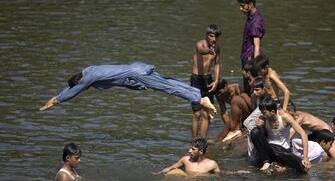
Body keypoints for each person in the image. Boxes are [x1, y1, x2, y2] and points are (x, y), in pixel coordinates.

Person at [39, 61, 216, 114]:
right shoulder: (88, 70)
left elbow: (71, 92)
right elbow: (73, 87)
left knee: (167, 87)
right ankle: (198, 96)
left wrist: (53, 101)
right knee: (167, 82)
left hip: (136, 74)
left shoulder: (87, 78)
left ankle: (199, 99)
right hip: (137, 67)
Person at [250, 98, 311, 173]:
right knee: (255, 131)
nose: (263, 115)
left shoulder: (285, 117)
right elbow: (261, 138)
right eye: (262, 112)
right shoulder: (263, 118)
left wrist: (305, 157)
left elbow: (303, 134)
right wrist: (260, 127)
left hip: (282, 151)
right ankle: (266, 161)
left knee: (302, 167)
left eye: (264, 113)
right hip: (269, 148)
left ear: (272, 112)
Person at [191, 24, 221, 139]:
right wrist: (209, 50)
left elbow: (217, 64)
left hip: (208, 79)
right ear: (207, 35)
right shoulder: (200, 44)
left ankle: (202, 140)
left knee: (207, 112)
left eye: (216, 37)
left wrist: (217, 80)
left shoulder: (217, 47)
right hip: (196, 79)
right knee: (197, 113)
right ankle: (194, 140)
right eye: (211, 36)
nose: (213, 39)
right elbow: (201, 50)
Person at [238, 0, 265, 95]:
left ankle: (254, 109)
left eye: (243, 6)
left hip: (250, 58)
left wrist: (254, 65)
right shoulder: (251, 18)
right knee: (247, 86)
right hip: (246, 55)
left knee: (251, 87)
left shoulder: (255, 21)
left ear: (250, 4)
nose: (241, 8)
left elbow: (256, 45)